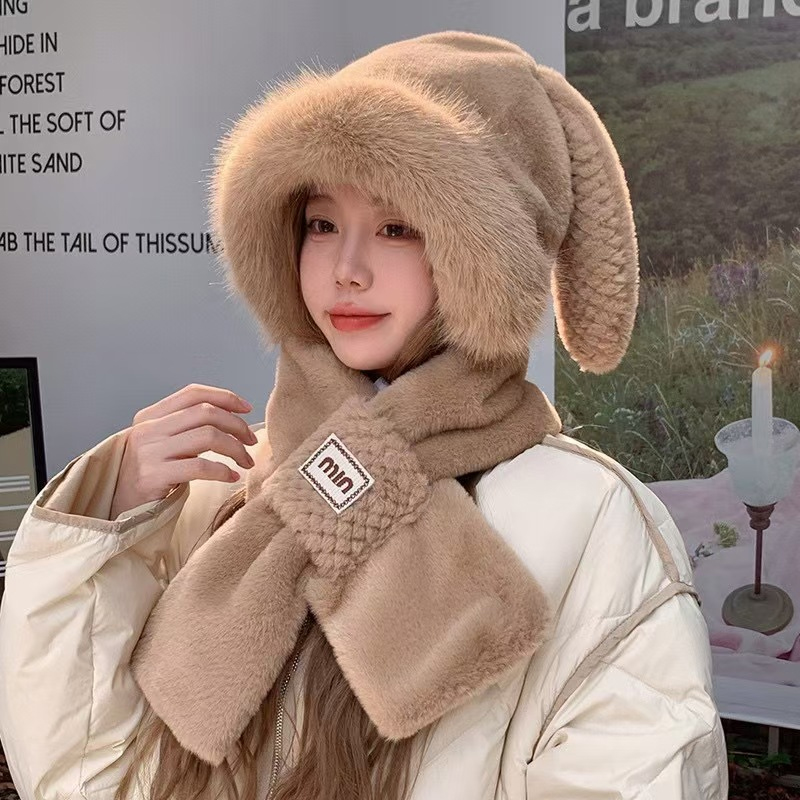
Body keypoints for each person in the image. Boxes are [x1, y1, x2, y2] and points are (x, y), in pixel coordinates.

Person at [0, 30, 728, 800]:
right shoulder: (222, 484)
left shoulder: (591, 522)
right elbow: (88, 777)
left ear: (485, 257)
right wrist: (104, 523)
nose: (346, 269)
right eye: (321, 224)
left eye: (396, 227)